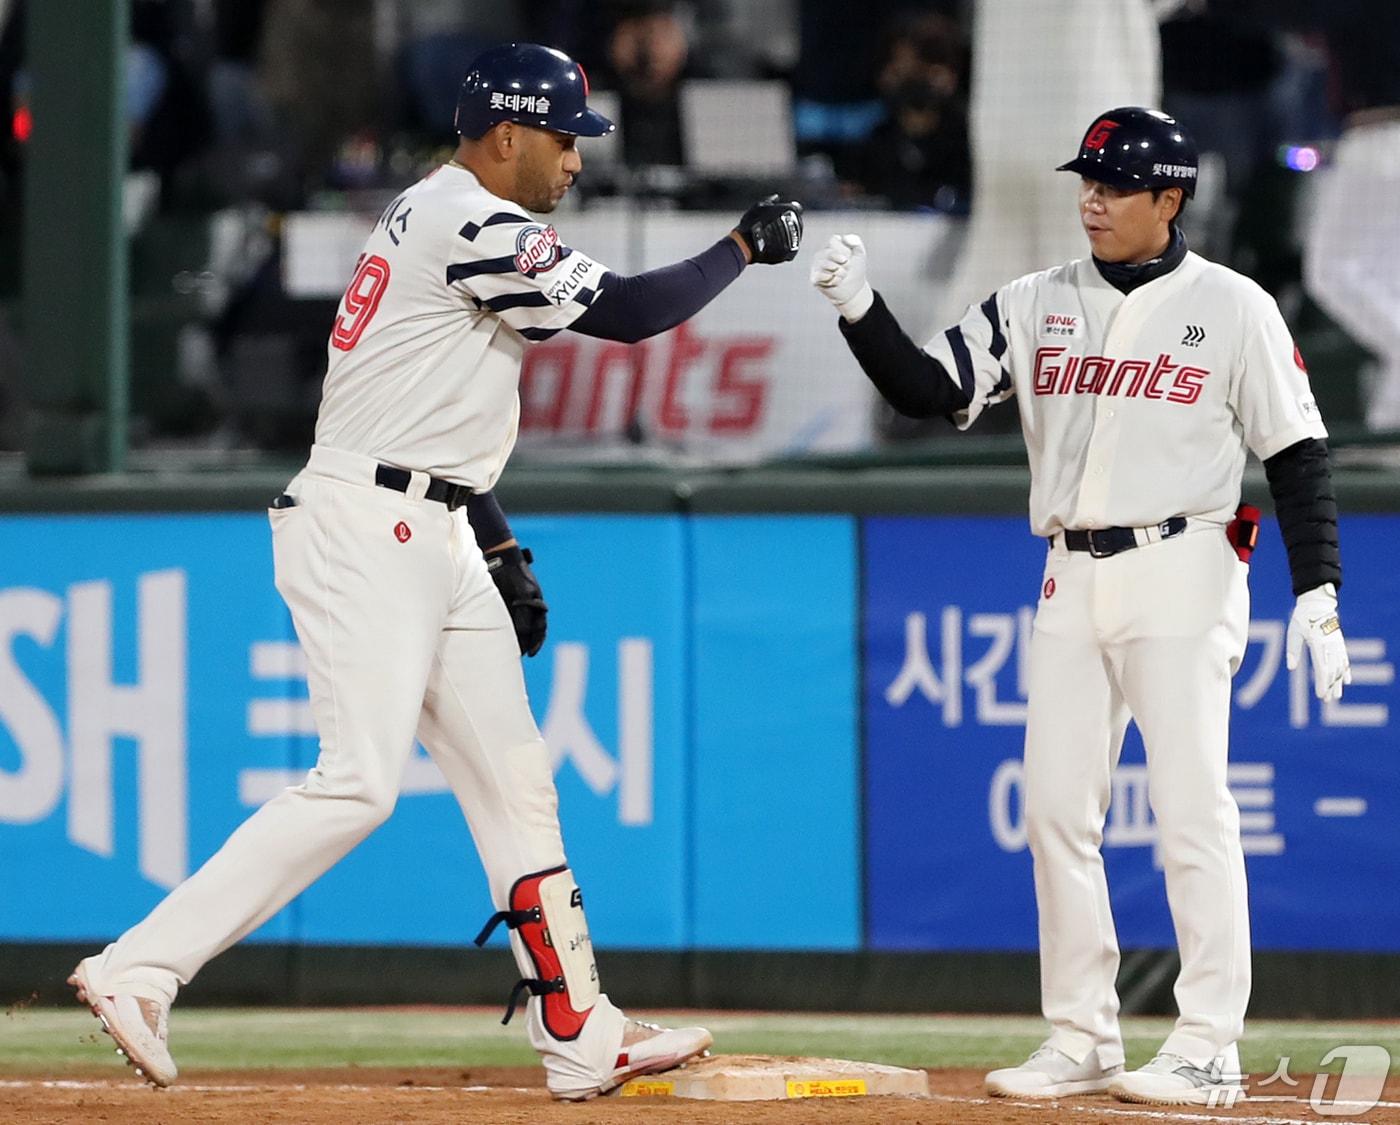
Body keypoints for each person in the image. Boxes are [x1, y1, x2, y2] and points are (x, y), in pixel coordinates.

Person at [69, 42, 802, 1102]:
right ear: (506, 134)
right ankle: (139, 966)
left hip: (432, 519)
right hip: (368, 524)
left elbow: (431, 411)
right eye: (563, 140)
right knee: (357, 782)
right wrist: (740, 243)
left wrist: (496, 544)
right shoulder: (471, 221)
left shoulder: (436, 214)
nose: (575, 163)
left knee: (515, 785)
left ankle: (580, 1032)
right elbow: (634, 314)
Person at [812, 107, 1349, 1107]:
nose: (1090, 200)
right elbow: (930, 390)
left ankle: (1206, 1045)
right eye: (1085, 181)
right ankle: (1081, 1036)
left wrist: (1315, 589)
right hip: (1067, 571)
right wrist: (858, 309)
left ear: (1168, 199)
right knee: (1055, 811)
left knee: (1191, 810)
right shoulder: (1034, 298)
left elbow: (1296, 455)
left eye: (1112, 185)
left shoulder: (1233, 307)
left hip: (1183, 564)